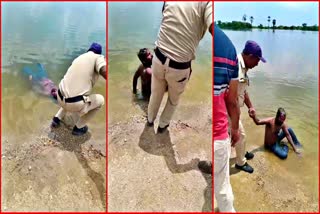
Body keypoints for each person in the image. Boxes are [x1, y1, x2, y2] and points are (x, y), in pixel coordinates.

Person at [147, 2, 212, 133]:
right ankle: (162, 126)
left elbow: (164, 12)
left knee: (155, 94)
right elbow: (213, 26)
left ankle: (149, 121)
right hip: (179, 67)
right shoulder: (207, 3)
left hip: (158, 57)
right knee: (173, 100)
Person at [198, 24, 240, 212]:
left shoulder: (193, 38)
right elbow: (232, 100)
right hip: (221, 132)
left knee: (222, 190)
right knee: (223, 183)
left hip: (216, 132)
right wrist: (236, 128)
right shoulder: (230, 49)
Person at [51, 42, 106, 136]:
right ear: (99, 53)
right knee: (101, 100)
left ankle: (56, 119)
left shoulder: (79, 58)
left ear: (89, 50)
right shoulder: (98, 57)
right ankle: (79, 127)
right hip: (74, 104)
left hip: (59, 97)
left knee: (70, 91)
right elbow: (104, 71)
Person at [232, 40, 266, 174]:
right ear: (250, 56)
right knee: (240, 134)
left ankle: (241, 151)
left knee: (238, 135)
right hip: (230, 108)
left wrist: (250, 106)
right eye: (257, 61)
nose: (257, 64)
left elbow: (243, 91)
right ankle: (240, 163)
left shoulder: (244, 67)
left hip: (235, 107)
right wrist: (235, 115)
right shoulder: (237, 68)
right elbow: (231, 95)